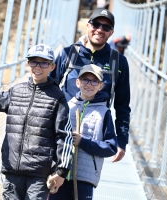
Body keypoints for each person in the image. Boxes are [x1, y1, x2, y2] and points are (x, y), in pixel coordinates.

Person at [0, 44, 73, 200]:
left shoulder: (57, 97)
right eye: (33, 62)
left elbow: (65, 136)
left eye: (44, 63)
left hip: (39, 173)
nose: (38, 67)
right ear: (28, 64)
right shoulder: (17, 91)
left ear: (52, 67)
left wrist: (61, 172)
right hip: (12, 168)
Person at [49, 8, 130, 162]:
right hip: (62, 129)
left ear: (111, 33)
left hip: (94, 136)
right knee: (52, 181)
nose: (100, 30)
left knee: (83, 183)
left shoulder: (119, 62)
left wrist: (122, 140)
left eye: (106, 27)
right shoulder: (68, 54)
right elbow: (49, 90)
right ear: (88, 25)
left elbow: (123, 105)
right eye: (96, 24)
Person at [49, 64, 118, 200]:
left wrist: (83, 142)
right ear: (77, 82)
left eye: (94, 81)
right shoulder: (66, 107)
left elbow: (111, 147)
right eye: (85, 79)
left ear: (100, 86)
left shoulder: (104, 113)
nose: (89, 84)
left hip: (85, 177)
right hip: (60, 173)